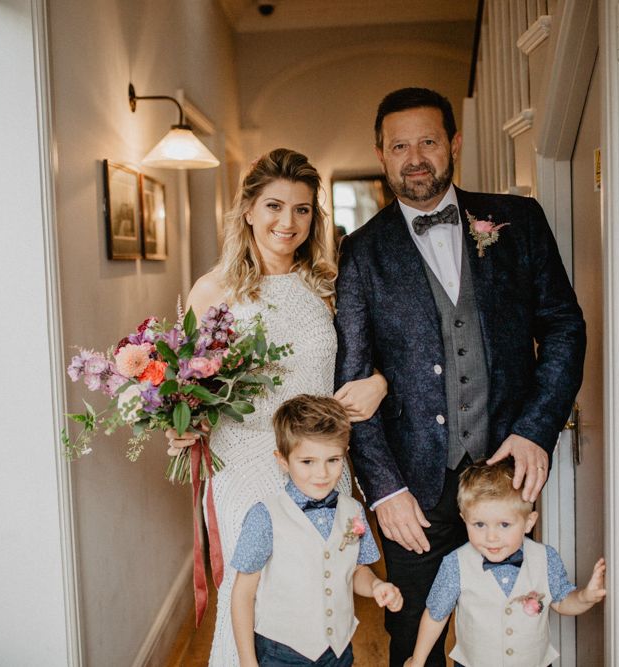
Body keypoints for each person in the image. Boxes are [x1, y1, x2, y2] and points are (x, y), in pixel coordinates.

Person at [334, 87, 586, 665]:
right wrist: (384, 489)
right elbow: (351, 386)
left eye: (427, 141)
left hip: (506, 475)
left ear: (454, 143)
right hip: (414, 488)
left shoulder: (519, 221)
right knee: (410, 640)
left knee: (508, 625)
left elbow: (564, 329)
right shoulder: (362, 252)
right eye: (400, 145)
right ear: (381, 154)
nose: (414, 157)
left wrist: (535, 428)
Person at [172, 148, 388, 665]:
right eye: (273, 206)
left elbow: (375, 361)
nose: (286, 222)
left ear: (314, 216)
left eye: (301, 209)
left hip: (320, 459)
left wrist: (378, 383)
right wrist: (178, 425)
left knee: (322, 585)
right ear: (247, 210)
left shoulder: (330, 287)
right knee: (255, 590)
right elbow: (185, 385)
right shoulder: (212, 290)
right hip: (244, 459)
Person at [231, 395, 403, 666]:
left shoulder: (353, 511)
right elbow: (243, 593)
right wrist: (247, 661)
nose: (322, 473)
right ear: (283, 460)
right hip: (281, 652)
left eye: (333, 460)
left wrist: (376, 585)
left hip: (337, 649)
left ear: (345, 453)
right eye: (307, 462)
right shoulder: (265, 516)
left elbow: (356, 569)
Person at [405, 460, 606, 667]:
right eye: (479, 524)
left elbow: (562, 601)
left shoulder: (545, 558)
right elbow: (436, 614)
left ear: (529, 522)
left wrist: (585, 597)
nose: (491, 537)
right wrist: (418, 661)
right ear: (464, 519)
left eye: (504, 524)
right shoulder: (456, 564)